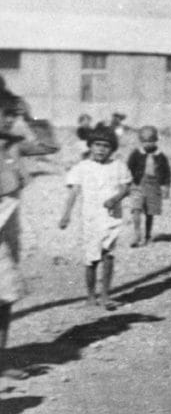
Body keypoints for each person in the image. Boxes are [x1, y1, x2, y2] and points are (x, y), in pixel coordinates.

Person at [0, 92, 59, 379]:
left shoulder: (14, 145)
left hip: (7, 228)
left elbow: (49, 146)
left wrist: (31, 117)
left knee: (5, 296)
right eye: (5, 113)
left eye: (13, 114)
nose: (10, 119)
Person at [58, 127, 132, 311]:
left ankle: (106, 295)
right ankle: (91, 296)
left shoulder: (118, 166)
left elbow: (126, 188)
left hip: (111, 217)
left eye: (106, 146)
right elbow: (73, 192)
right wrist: (66, 215)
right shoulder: (82, 167)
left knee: (108, 255)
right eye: (97, 145)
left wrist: (115, 199)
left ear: (112, 149)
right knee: (91, 258)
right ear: (90, 146)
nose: (101, 149)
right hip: (90, 218)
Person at [126, 126, 171, 247]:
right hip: (138, 183)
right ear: (141, 141)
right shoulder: (136, 153)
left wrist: (166, 186)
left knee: (149, 212)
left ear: (156, 140)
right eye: (144, 141)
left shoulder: (160, 155)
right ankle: (137, 234)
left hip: (153, 184)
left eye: (151, 141)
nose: (147, 144)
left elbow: (166, 172)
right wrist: (127, 183)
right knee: (136, 209)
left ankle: (148, 235)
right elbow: (128, 167)